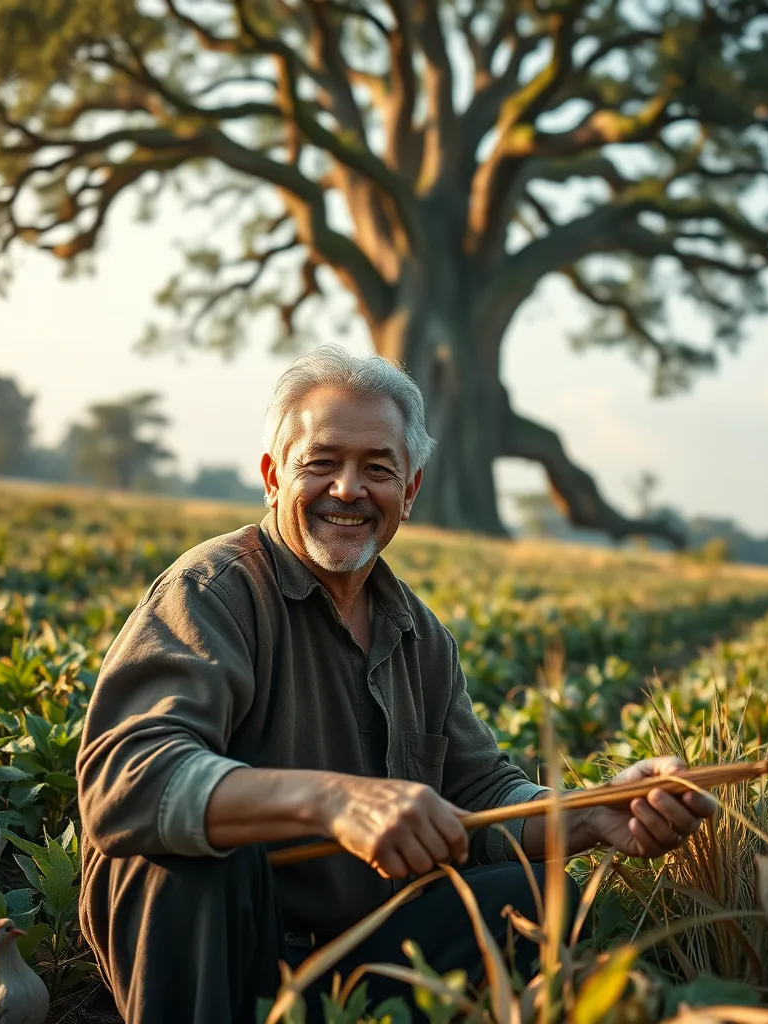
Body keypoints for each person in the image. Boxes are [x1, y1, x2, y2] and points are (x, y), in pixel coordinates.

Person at [75, 345, 716, 1024]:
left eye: (377, 469)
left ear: (408, 493)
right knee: (196, 858)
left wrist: (591, 811)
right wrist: (330, 801)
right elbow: (128, 781)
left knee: (539, 895)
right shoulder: (214, 590)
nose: (348, 489)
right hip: (223, 948)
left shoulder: (420, 635)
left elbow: (481, 796)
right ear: (272, 476)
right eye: (321, 463)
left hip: (354, 957)